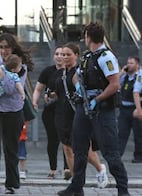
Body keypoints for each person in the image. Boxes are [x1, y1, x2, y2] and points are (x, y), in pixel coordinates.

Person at [58, 22, 130, 196]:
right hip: (85, 105)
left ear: (88, 37)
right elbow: (78, 77)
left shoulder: (106, 57)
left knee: (110, 151)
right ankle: (76, 187)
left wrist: (96, 99)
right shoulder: (88, 56)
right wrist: (78, 90)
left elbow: (114, 85)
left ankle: (123, 189)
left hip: (102, 108)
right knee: (79, 148)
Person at [0, 33, 33, 194]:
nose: (3, 51)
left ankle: (11, 184)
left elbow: (11, 90)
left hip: (13, 110)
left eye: (7, 47)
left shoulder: (20, 65)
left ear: (13, 48)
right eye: (1, 47)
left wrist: (2, 75)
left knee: (11, 147)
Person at [54, 43, 107, 188]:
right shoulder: (60, 73)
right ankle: (75, 182)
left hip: (77, 113)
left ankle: (100, 168)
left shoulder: (80, 71)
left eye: (68, 54)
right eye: (62, 54)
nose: (64, 57)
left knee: (83, 148)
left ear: (76, 55)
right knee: (67, 148)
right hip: (62, 113)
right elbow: (58, 91)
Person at [32, 46, 70, 179]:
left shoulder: (70, 71)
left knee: (66, 139)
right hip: (50, 110)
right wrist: (34, 102)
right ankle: (52, 168)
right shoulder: (48, 71)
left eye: (63, 54)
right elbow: (38, 89)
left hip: (66, 110)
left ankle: (67, 167)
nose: (60, 56)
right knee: (52, 140)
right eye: (57, 54)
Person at [119, 56, 142, 163]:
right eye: (128, 63)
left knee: (138, 134)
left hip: (135, 108)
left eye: (131, 63)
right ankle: (118, 155)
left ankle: (138, 156)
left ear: (137, 65)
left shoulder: (140, 76)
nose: (129, 65)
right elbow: (116, 84)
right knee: (121, 133)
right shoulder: (126, 76)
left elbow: (136, 91)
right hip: (124, 108)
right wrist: (122, 72)